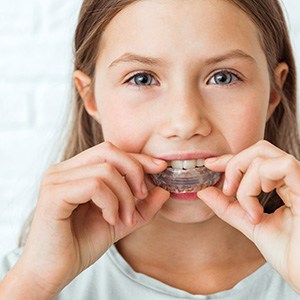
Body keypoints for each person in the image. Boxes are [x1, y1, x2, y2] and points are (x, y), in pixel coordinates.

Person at [0, 0, 300, 299]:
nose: (184, 122)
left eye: (223, 77)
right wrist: (35, 284)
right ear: (90, 98)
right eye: (142, 79)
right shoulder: (22, 280)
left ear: (274, 91)